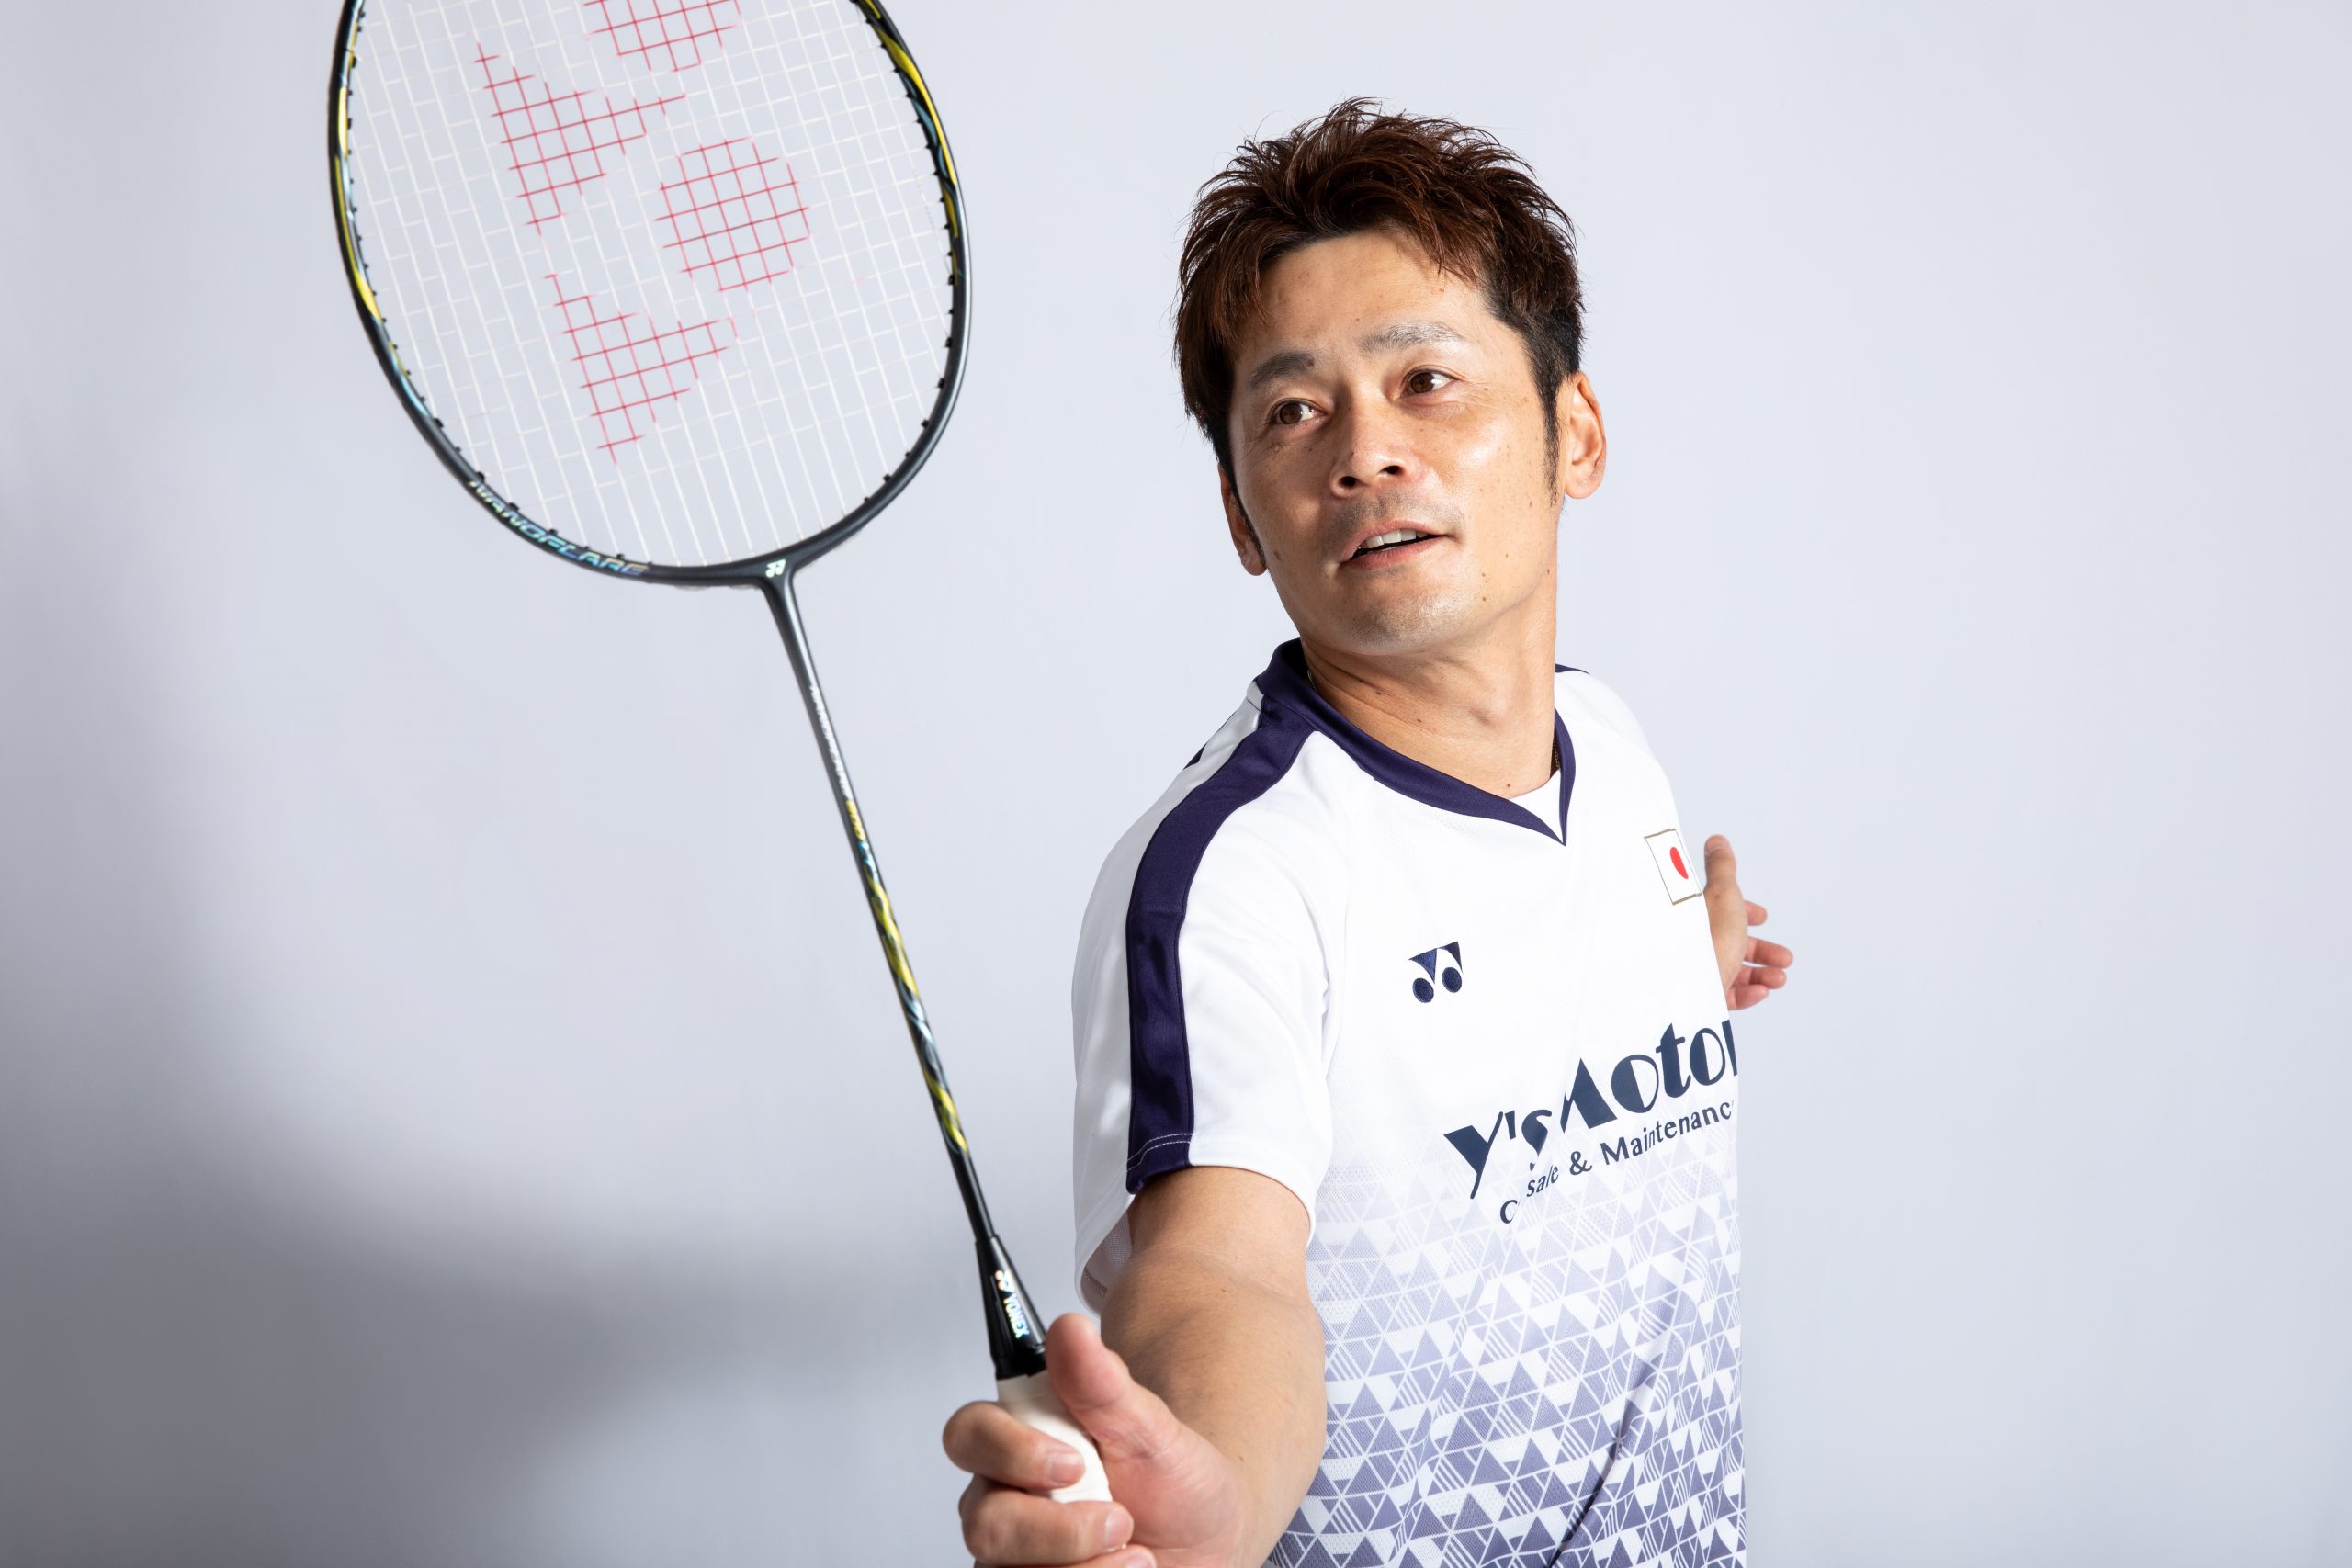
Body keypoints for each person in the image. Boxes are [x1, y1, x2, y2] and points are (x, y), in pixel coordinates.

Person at [944, 100, 1794, 1568]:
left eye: (1426, 381)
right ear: (1242, 515)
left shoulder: (1609, 749)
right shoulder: (1228, 883)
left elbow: (1496, 998)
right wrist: (1215, 1482)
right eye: (1294, 413)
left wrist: (1670, 974)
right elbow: (1218, 1270)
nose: (1364, 453)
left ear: (1574, 434)